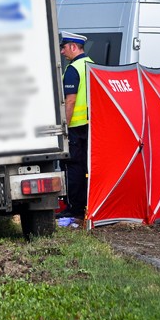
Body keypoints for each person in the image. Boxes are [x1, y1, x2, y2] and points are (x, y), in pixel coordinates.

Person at [58, 31, 93, 219]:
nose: (62, 52)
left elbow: (70, 101)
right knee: (89, 168)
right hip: (92, 127)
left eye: (64, 47)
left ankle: (74, 208)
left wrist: (64, 127)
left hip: (75, 127)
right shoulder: (92, 64)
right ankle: (89, 205)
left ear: (73, 47)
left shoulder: (73, 69)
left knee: (74, 168)